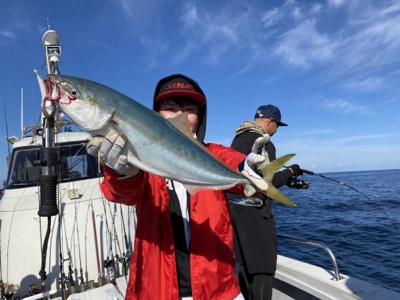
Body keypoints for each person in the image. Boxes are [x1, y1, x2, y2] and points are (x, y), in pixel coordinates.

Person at [86, 74, 270, 300]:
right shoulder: (141, 159)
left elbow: (233, 163)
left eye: (189, 110)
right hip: (156, 290)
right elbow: (122, 195)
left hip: (217, 289)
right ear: (156, 114)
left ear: (200, 117)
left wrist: (249, 168)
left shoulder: (212, 153)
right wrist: (121, 172)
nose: (180, 115)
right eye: (170, 108)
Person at [226, 104, 304, 300]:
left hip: (232, 212)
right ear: (270, 121)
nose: (276, 130)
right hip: (254, 214)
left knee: (242, 265)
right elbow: (268, 183)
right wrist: (290, 172)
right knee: (263, 267)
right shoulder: (265, 143)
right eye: (277, 125)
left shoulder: (238, 139)